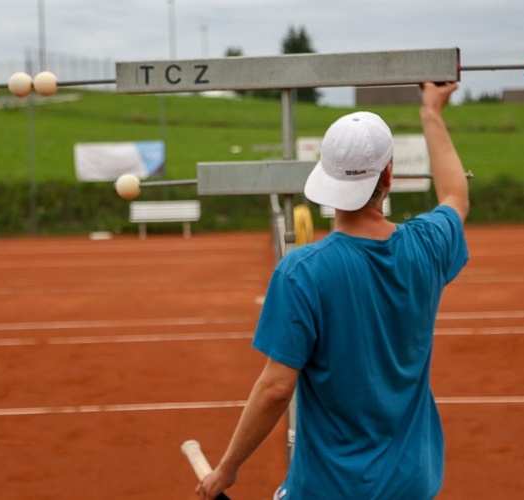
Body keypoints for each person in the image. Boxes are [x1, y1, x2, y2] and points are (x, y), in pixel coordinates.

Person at [195, 81, 469, 499]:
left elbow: (276, 388)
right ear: (389, 175)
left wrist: (227, 470)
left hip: (330, 489)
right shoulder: (427, 246)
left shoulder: (301, 272)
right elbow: (455, 195)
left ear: (325, 175)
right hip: (412, 484)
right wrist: (431, 112)